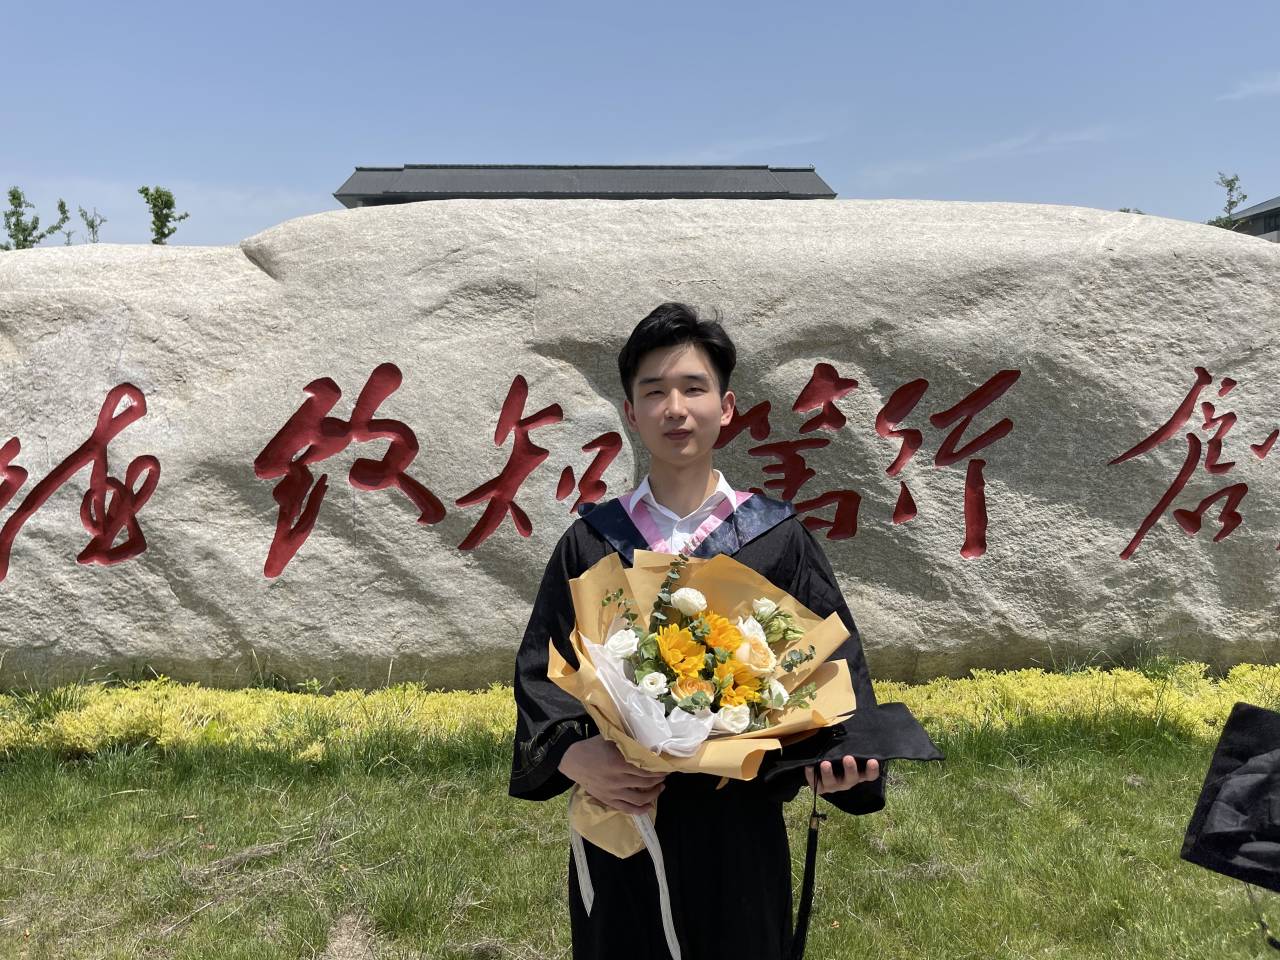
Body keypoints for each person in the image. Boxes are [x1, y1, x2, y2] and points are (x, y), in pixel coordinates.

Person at [509, 302, 886, 960]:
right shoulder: (594, 541)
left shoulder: (775, 537)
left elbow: (834, 665)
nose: (675, 409)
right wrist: (572, 755)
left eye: (693, 388)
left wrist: (840, 761)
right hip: (624, 818)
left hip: (739, 825)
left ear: (726, 406)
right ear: (631, 413)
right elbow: (542, 669)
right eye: (654, 392)